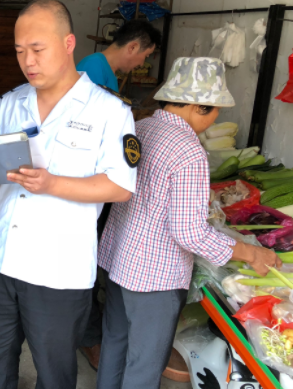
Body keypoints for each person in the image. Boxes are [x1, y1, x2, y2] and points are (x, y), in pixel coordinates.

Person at [0, 0, 139, 389]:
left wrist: (52, 184)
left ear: (68, 44)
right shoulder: (10, 103)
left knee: (54, 373)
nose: (28, 61)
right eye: (19, 51)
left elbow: (120, 187)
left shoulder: (109, 111)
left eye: (37, 49)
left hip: (58, 272)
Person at [96, 57, 282, 389]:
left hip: (118, 259)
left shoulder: (141, 128)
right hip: (154, 276)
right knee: (144, 364)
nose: (215, 118)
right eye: (216, 110)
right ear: (200, 107)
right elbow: (190, 233)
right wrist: (251, 253)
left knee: (115, 342)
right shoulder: (189, 151)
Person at [78, 18, 162, 369]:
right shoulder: (91, 70)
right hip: (87, 187)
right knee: (83, 263)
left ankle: (91, 329)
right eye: (144, 56)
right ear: (133, 46)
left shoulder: (104, 72)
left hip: (100, 187)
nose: (141, 63)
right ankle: (88, 337)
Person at [76, 19, 162, 92]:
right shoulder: (94, 66)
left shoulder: (110, 72)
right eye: (146, 56)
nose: (142, 64)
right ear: (132, 48)